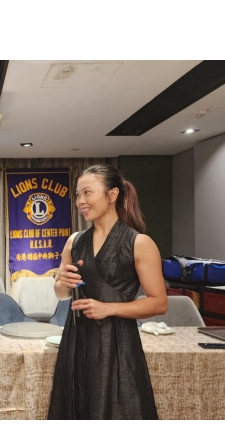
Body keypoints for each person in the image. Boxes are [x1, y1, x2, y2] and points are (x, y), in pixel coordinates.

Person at [48, 164, 167, 420]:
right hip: (76, 341)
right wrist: (62, 283)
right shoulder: (74, 241)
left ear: (112, 195)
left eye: (87, 193)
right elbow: (61, 294)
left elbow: (159, 303)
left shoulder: (139, 243)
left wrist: (108, 308)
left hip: (118, 344)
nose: (80, 201)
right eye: (78, 195)